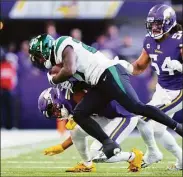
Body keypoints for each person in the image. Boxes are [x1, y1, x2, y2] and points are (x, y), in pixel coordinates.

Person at [29, 31, 182, 160]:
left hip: (109, 72)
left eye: (39, 56)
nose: (40, 61)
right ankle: (109, 143)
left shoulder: (62, 43)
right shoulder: (59, 59)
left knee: (136, 107)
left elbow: (69, 70)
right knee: (80, 114)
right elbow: (79, 78)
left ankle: (177, 126)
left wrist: (54, 79)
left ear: (45, 49)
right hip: (98, 82)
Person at [118, 4, 182, 170]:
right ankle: (181, 160)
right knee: (158, 130)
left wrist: (181, 66)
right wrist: (122, 67)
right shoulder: (149, 41)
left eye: (158, 23)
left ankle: (153, 153)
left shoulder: (179, 39)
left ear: (169, 23)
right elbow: (139, 67)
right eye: (152, 24)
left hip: (179, 90)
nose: (154, 27)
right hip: (162, 89)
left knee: (143, 117)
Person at [38, 87, 144, 172]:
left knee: (98, 155)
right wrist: (62, 147)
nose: (56, 114)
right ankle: (86, 164)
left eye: (52, 109)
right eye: (52, 114)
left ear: (54, 97)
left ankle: (133, 157)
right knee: (75, 130)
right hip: (107, 116)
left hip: (123, 116)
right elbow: (85, 126)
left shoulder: (74, 96)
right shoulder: (69, 103)